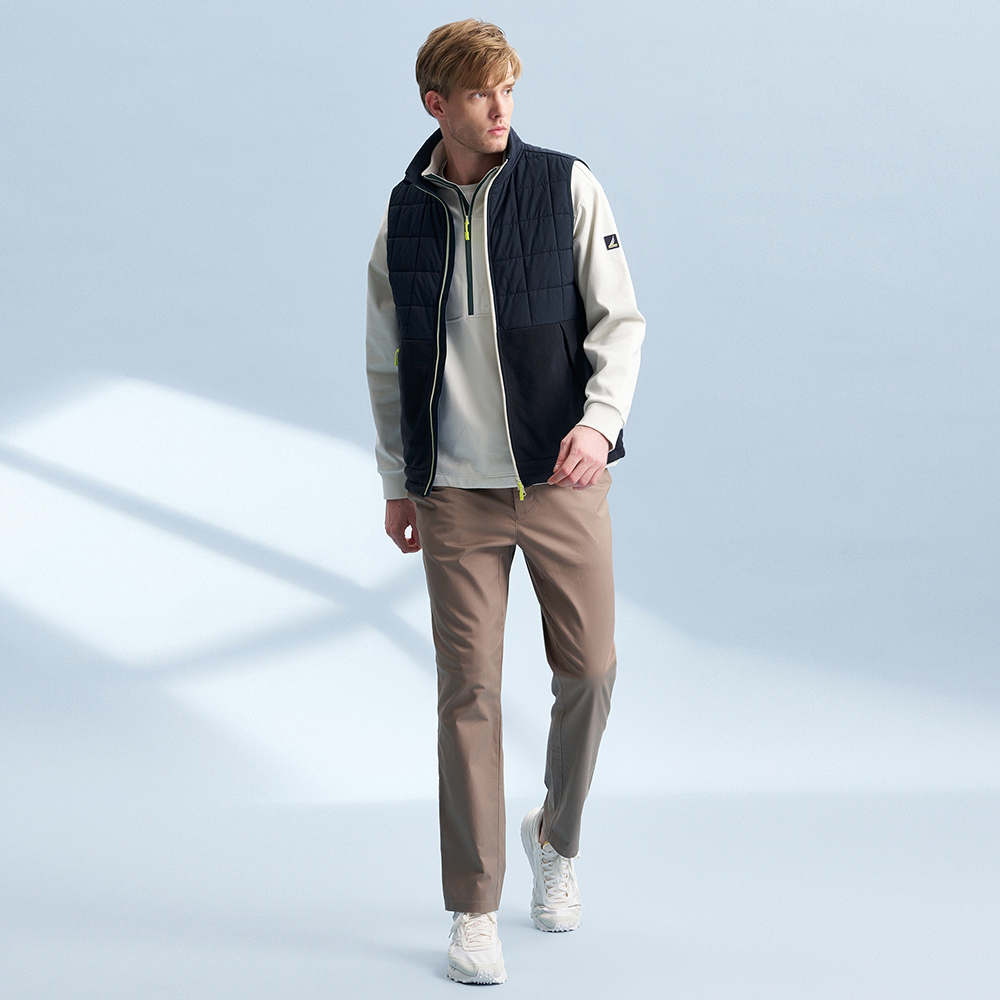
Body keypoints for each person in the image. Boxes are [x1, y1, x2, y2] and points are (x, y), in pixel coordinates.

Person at [365, 19, 644, 985]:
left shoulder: (565, 185)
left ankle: (553, 837)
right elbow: (386, 359)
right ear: (436, 103)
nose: (501, 109)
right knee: (469, 695)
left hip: (561, 479)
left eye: (509, 90)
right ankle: (473, 907)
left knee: (592, 672)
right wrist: (398, 481)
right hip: (454, 493)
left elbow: (620, 320)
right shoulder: (404, 215)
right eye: (482, 92)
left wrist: (598, 425)